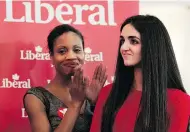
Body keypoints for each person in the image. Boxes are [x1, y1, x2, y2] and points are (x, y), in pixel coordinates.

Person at [90, 15, 190, 132]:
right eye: (122, 41)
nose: (124, 47)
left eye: (133, 41)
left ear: (152, 45)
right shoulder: (108, 93)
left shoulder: (179, 100)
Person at [23, 24, 107, 132]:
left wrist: (96, 103)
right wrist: (75, 105)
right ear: (52, 56)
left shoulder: (89, 94)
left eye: (77, 50)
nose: (71, 56)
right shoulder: (36, 97)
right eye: (62, 51)